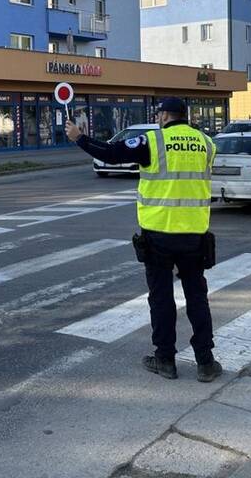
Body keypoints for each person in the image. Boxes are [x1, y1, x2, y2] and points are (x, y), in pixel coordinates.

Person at [65, 96, 222, 382]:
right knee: (197, 298)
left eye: (158, 114)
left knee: (161, 299)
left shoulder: (154, 142)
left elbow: (112, 154)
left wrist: (79, 138)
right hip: (193, 235)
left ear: (163, 116)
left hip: (159, 235)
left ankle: (165, 360)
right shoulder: (206, 143)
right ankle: (205, 362)